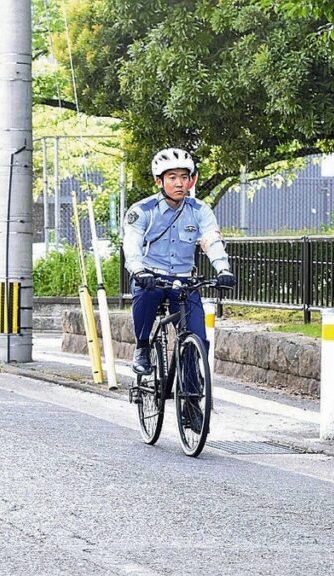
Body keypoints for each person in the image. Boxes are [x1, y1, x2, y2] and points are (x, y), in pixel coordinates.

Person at [122, 148, 236, 425]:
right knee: (146, 296)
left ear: (192, 181)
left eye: (184, 177)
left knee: (197, 337)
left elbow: (211, 239)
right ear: (159, 181)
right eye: (171, 177)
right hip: (151, 276)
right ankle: (142, 346)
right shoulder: (142, 210)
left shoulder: (199, 211)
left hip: (184, 279)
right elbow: (132, 243)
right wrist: (138, 269)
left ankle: (191, 403)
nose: (178, 183)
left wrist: (223, 268)